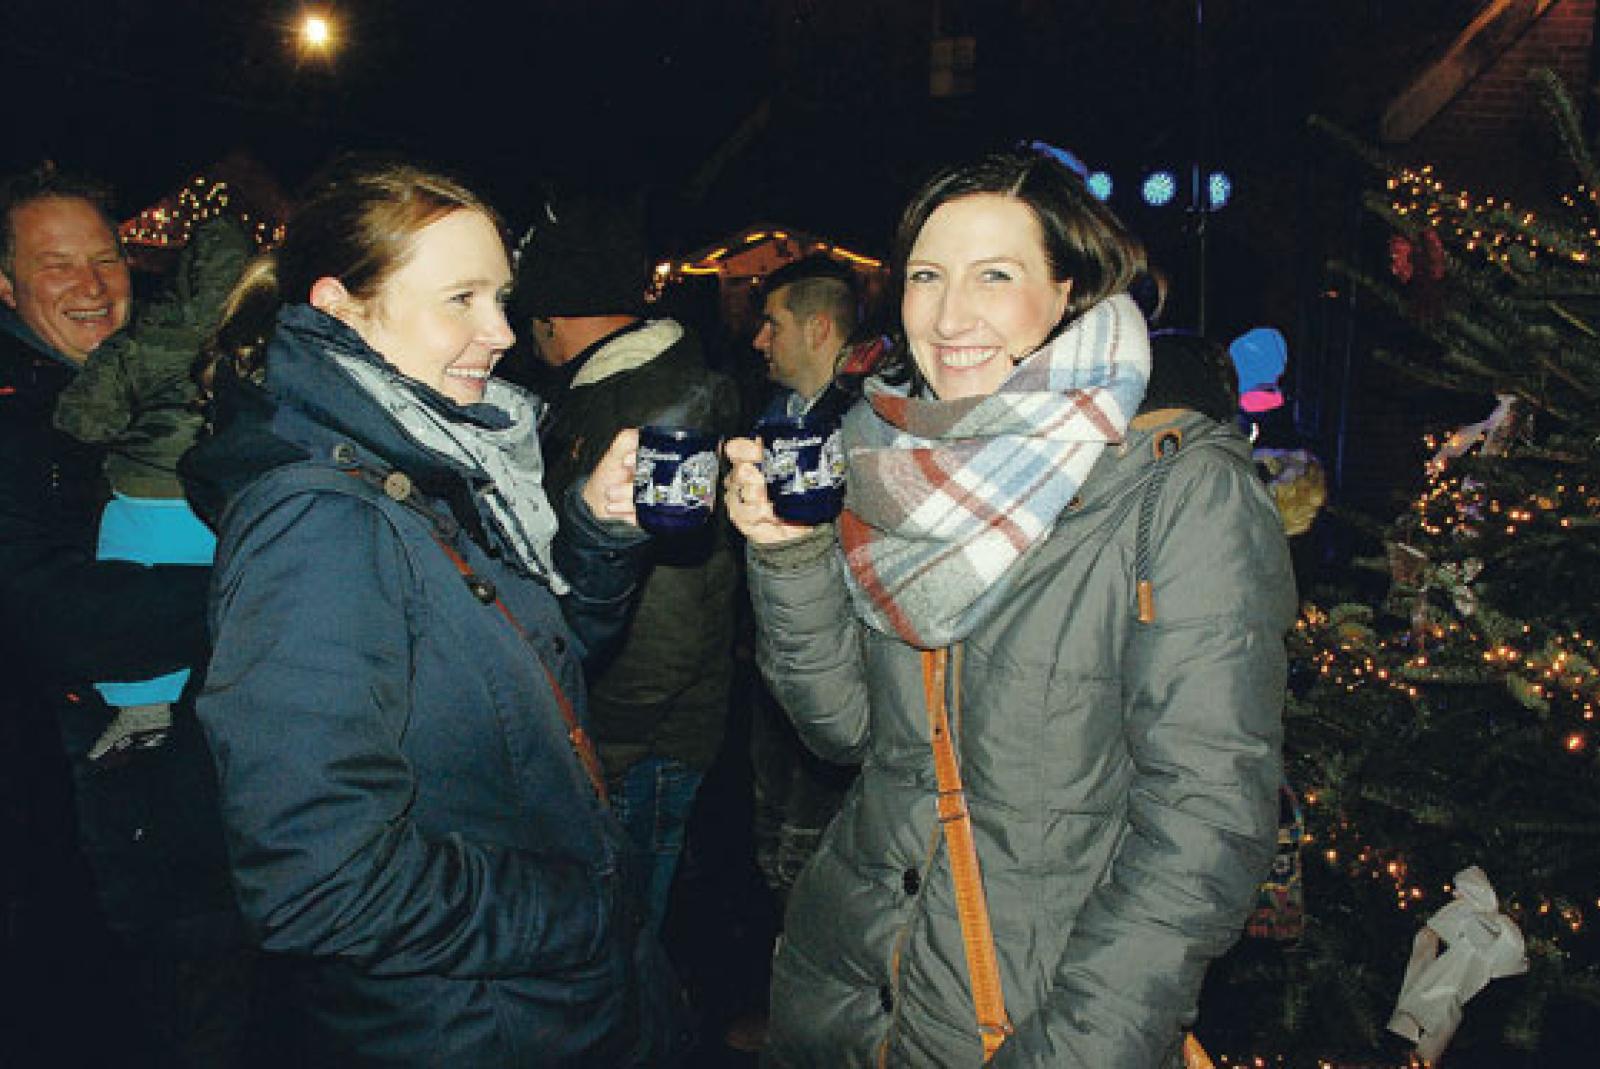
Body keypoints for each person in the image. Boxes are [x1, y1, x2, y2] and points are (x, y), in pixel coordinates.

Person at [723, 150, 1296, 1067]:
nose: (951, 316)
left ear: (1068, 290)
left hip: (1033, 1013)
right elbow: (842, 730)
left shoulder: (1177, 490)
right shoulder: (879, 454)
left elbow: (1203, 827)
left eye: (995, 275)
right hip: (847, 990)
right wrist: (789, 553)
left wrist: (1072, 1051)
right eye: (927, 276)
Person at [186, 160, 687, 1066]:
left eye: (501, 298)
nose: (501, 332)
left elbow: (534, 674)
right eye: (461, 299)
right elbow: (319, 881)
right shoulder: (322, 519)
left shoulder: (430, 459)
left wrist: (598, 533)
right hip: (473, 1022)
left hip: (536, 1001)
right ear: (340, 307)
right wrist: (580, 909)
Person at [0, 164, 253, 1065]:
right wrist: (254, 591)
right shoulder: (19, 420)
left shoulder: (164, 377)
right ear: (7, 285)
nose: (92, 284)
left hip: (194, 795)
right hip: (89, 822)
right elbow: (49, 612)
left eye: (105, 258)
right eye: (56, 264)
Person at [511, 191, 741, 937]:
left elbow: (669, 622)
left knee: (621, 939)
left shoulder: (650, 411)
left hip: (640, 745)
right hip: (622, 731)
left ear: (550, 315)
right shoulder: (603, 393)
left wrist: (602, 744)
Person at [54, 213, 252, 761]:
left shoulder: (153, 332)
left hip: (151, 495)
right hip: (230, 504)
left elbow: (87, 415)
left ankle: (142, 709)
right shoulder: (268, 335)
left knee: (127, 593)